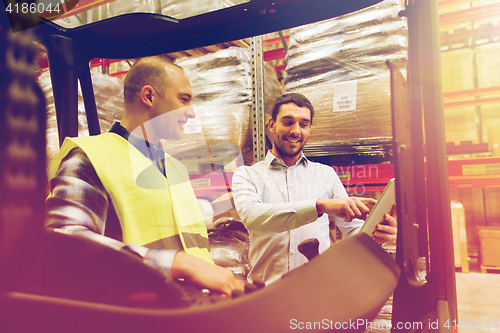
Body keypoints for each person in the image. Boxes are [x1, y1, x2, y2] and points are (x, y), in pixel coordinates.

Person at [46, 57, 243, 296]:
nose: (191, 112)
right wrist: (177, 263)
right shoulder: (89, 157)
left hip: (188, 312)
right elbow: (64, 242)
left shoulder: (174, 168)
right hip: (133, 316)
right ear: (149, 96)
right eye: (184, 100)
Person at [232, 93, 397, 285]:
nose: (296, 131)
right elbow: (253, 217)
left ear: (309, 128)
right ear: (271, 124)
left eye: (303, 124)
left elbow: (353, 230)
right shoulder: (247, 175)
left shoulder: (325, 174)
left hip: (318, 291)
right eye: (288, 122)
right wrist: (320, 206)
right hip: (264, 292)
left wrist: (377, 234)